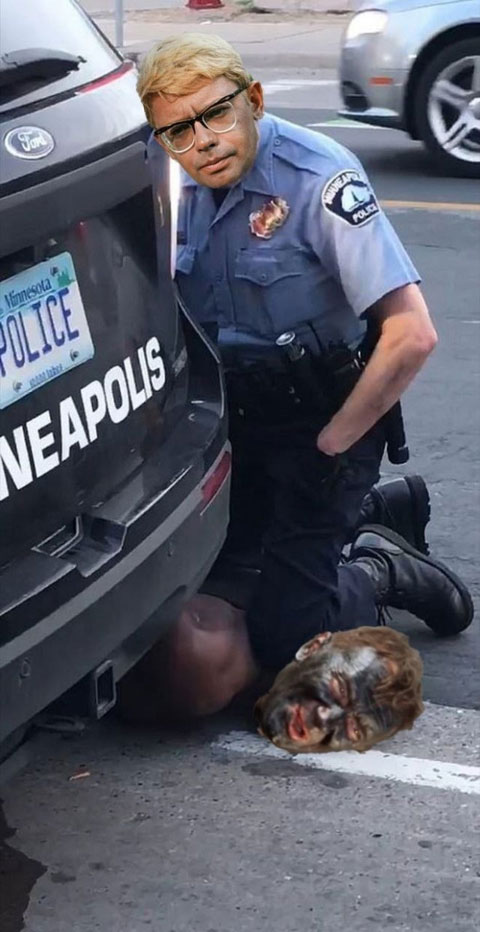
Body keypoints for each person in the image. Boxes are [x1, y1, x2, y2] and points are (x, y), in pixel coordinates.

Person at [133, 34, 474, 718]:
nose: (203, 142)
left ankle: (380, 567)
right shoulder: (164, 179)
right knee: (207, 593)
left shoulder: (318, 177)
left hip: (326, 425)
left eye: (217, 114)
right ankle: (373, 511)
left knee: (289, 634)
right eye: (178, 130)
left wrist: (333, 446)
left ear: (254, 100)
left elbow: (412, 334)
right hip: (234, 427)